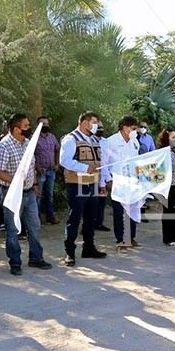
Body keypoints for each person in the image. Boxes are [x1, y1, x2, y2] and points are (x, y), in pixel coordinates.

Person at [0, 113, 52, 276]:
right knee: (12, 229)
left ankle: (36, 258)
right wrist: (16, 181)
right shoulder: (3, 146)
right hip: (11, 193)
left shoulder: (27, 144)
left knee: (34, 225)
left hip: (29, 193)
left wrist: (33, 184)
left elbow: (30, 165)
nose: (29, 128)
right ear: (16, 129)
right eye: (26, 126)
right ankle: (15, 262)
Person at [60, 111, 107, 266]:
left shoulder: (94, 140)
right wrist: (85, 168)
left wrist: (101, 184)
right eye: (94, 122)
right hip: (77, 184)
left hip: (93, 183)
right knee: (74, 218)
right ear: (85, 123)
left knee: (90, 218)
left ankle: (89, 248)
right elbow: (64, 161)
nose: (96, 125)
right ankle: (70, 252)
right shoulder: (71, 139)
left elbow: (100, 164)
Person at [101, 116, 141, 247]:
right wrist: (108, 181)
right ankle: (121, 239)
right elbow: (104, 163)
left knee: (133, 209)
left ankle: (131, 237)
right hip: (117, 180)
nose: (136, 131)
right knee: (119, 211)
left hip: (132, 181)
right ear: (125, 128)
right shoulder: (111, 141)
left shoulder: (135, 142)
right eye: (133, 128)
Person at [34, 116, 61, 225]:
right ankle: (37, 219)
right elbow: (29, 156)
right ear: (38, 125)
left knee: (49, 194)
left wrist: (57, 163)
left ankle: (50, 217)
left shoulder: (52, 137)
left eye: (47, 123)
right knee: (38, 196)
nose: (46, 126)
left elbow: (57, 150)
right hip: (40, 172)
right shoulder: (34, 138)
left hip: (51, 171)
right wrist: (36, 167)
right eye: (43, 124)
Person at [136, 120, 156, 222]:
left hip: (145, 167)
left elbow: (153, 151)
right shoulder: (133, 137)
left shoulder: (149, 138)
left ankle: (142, 215)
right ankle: (133, 214)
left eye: (145, 126)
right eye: (141, 126)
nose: (143, 128)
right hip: (134, 167)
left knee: (144, 192)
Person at [93, 120, 109, 232]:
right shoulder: (88, 141)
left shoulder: (106, 142)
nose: (100, 129)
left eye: (102, 127)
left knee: (102, 201)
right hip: (91, 176)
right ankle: (87, 225)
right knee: (90, 202)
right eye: (98, 127)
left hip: (103, 175)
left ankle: (99, 223)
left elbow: (107, 162)